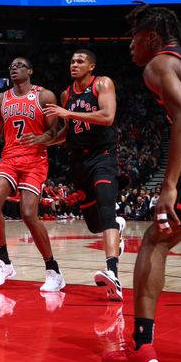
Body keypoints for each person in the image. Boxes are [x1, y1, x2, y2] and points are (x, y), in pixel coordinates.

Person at [104, 5, 181, 361]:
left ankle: (143, 345)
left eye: (133, 37)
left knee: (156, 239)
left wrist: (168, 184)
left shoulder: (160, 63)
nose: (129, 45)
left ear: (152, 38)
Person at [0, 57, 65, 292]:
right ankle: (4, 262)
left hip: (35, 159)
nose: (14, 68)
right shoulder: (1, 98)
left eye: (20, 65)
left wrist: (41, 139)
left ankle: (53, 270)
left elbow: (54, 132)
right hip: (10, 157)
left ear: (31, 70)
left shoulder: (44, 96)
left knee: (28, 214)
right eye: (11, 66)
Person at [43, 49, 127, 301]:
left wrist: (68, 113)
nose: (74, 64)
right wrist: (39, 142)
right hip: (78, 161)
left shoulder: (102, 83)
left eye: (80, 61)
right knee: (94, 224)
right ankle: (117, 227)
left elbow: (107, 116)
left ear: (92, 66)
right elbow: (66, 132)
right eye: (71, 61)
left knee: (106, 211)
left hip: (103, 156)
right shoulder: (66, 94)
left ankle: (113, 273)